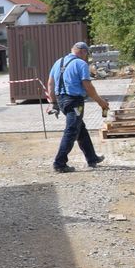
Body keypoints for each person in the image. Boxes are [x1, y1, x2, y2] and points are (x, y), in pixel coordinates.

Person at [44, 41, 109, 172]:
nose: (86, 56)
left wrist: (54, 102)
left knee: (80, 129)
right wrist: (100, 102)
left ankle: (92, 158)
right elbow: (88, 86)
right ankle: (59, 163)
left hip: (62, 101)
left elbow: (50, 84)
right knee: (71, 130)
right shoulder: (80, 64)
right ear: (83, 51)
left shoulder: (58, 62)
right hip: (74, 102)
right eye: (86, 54)